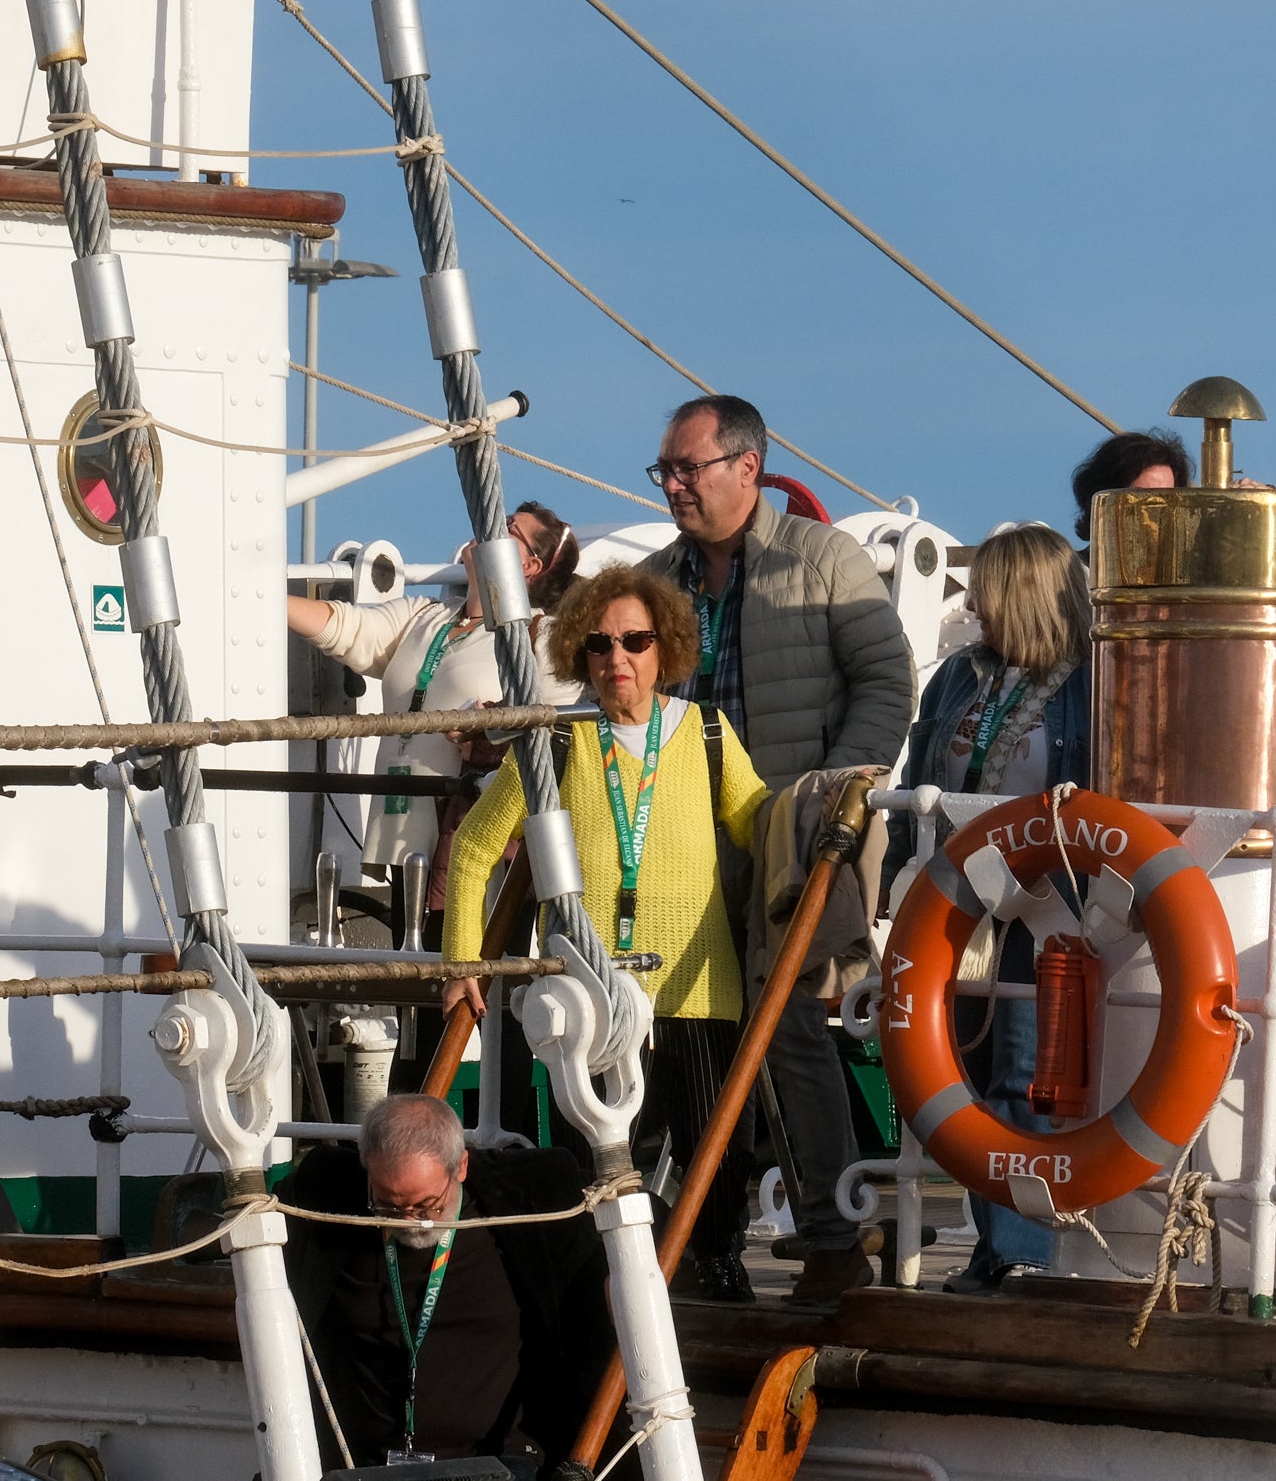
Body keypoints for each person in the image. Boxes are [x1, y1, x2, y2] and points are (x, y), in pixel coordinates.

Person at [640, 394, 913, 1301]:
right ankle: (701, 1245)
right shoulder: (652, 580)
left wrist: (835, 796)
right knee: (682, 1031)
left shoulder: (822, 560)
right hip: (682, 840)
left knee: (788, 1024)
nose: (674, 485)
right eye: (666, 472)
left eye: (688, 469)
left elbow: (885, 683)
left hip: (795, 831)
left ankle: (833, 1241)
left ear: (747, 469)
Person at [440, 564, 773, 1299]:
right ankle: (603, 1278)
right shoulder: (555, 739)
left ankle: (717, 1261)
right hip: (588, 989)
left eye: (635, 640)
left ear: (666, 648)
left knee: (715, 1142)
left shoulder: (708, 734)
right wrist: (461, 964)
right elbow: (471, 849)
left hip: (696, 978)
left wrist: (828, 806)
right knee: (595, 1146)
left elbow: (761, 821)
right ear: (578, 656)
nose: (615, 657)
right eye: (597, 644)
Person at [891, 523, 1092, 1293]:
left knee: (1021, 1069)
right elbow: (920, 776)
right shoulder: (956, 679)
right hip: (957, 896)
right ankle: (992, 1248)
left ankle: (1020, 1254)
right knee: (963, 1077)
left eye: (985, 590)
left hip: (1048, 904)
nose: (971, 603)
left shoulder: (1086, 684)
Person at [285, 1092, 609, 1475]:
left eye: (427, 1206)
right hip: (363, 1464)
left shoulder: (527, 1207)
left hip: (499, 1462)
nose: (408, 1221)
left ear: (462, 1167)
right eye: (387, 1204)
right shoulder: (326, 1200)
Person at [284, 502, 582, 878]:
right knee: (405, 934)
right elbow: (348, 626)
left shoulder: (542, 636)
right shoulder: (423, 616)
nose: (489, 525)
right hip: (399, 829)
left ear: (529, 566)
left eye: (508, 526)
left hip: (469, 837)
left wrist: (484, 733)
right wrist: (261, 598)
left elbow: (555, 737)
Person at [1068, 427, 1191, 546]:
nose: (1154, 511)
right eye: (1139, 498)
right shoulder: (1070, 567)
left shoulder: (1189, 566)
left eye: (1166, 500)